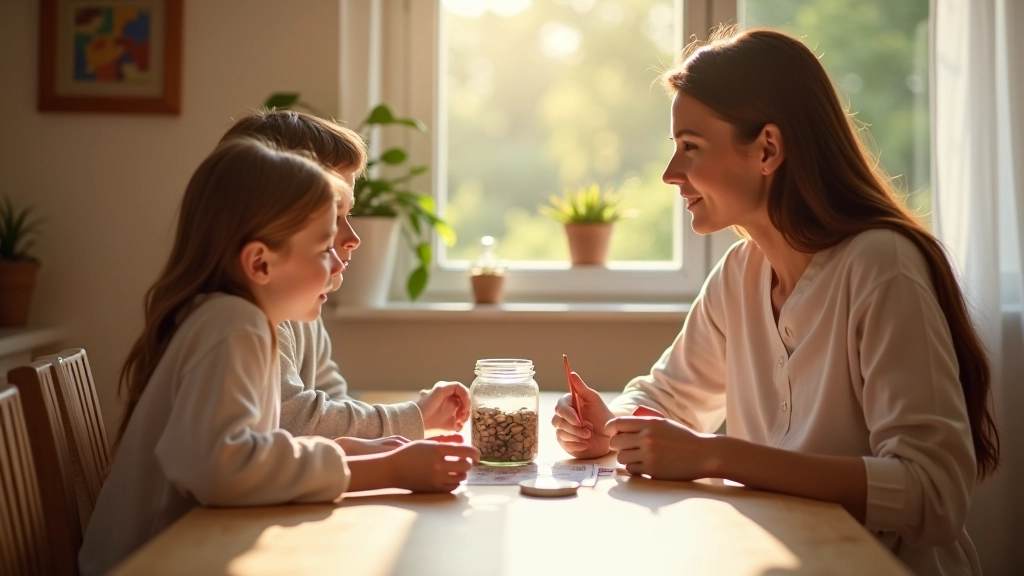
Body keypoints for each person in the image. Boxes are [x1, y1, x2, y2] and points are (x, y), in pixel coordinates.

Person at [551, 28, 998, 576]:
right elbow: (663, 397)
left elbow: (934, 494)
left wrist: (715, 455)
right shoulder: (740, 274)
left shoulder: (882, 266)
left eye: (690, 147)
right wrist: (611, 424)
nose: (671, 174)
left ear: (767, 149)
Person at [80, 137, 478, 576]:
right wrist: (386, 470)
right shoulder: (233, 324)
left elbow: (252, 448)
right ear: (260, 264)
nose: (338, 264)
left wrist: (349, 450)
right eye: (324, 248)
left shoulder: (235, 320)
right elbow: (222, 470)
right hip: (152, 563)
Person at [220, 109, 470, 454]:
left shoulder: (297, 303)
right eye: (332, 216)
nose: (352, 237)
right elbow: (293, 423)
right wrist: (412, 419)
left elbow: (330, 402)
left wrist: (397, 441)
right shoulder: (239, 320)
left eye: (346, 213)